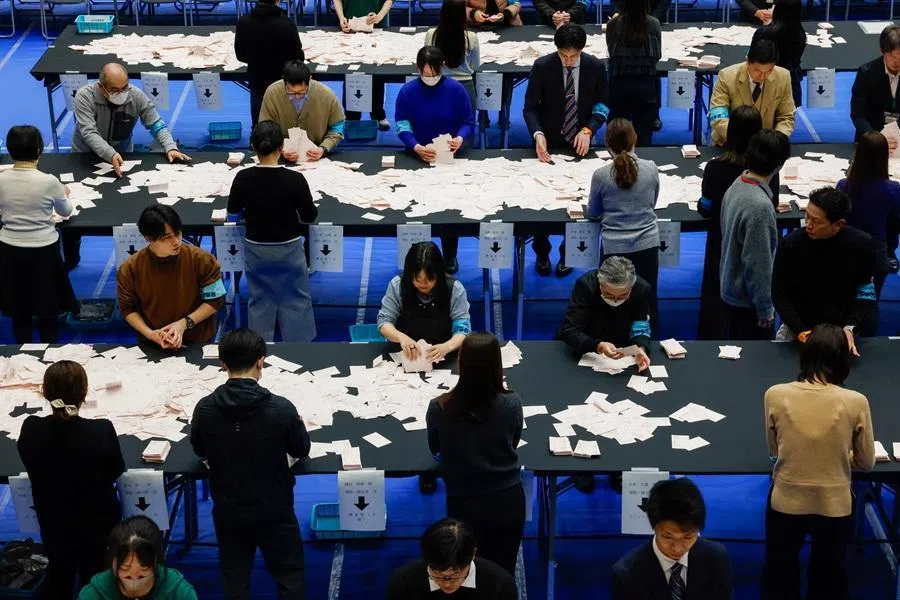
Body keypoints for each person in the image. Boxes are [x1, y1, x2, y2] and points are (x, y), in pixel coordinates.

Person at [190, 328, 311, 600]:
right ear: (261, 361)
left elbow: (199, 448)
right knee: (289, 577)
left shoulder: (205, 409)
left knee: (236, 579)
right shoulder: (281, 409)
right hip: (274, 509)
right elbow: (301, 448)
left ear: (222, 363)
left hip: (229, 510)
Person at [762, 324, 875, 600]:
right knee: (830, 574)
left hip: (786, 501)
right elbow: (866, 462)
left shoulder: (774, 394)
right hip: (834, 506)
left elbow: (775, 449)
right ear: (843, 360)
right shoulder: (857, 402)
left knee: (780, 571)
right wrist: (839, 454)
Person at [67, 62, 191, 270]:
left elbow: (156, 124)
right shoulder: (84, 96)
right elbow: (88, 132)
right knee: (76, 210)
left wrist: (170, 146)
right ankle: (72, 249)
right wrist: (109, 153)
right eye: (115, 90)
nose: (122, 94)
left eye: (124, 88)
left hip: (123, 158)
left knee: (126, 202)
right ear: (101, 87)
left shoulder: (136, 95)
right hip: (85, 157)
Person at [17, 361, 125, 600]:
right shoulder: (100, 431)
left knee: (59, 577)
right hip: (97, 524)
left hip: (54, 522)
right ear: (84, 393)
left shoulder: (31, 428)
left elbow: (28, 458)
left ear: (45, 392)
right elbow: (116, 469)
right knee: (96, 580)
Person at [426, 332, 524, 578]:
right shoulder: (512, 403)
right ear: (496, 364)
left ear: (462, 363)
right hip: (508, 500)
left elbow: (435, 448)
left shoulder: (440, 407)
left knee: (465, 572)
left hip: (464, 502)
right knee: (503, 572)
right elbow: (514, 441)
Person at [524, 24, 610, 276]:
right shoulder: (542, 66)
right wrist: (537, 134)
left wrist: (589, 129)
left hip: (580, 142)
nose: (568, 61)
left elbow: (603, 103)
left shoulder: (595, 66)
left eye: (573, 56)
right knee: (543, 201)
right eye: (564, 56)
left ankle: (567, 253)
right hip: (547, 142)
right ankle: (541, 251)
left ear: (581, 51)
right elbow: (529, 108)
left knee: (576, 202)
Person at [227, 121, 318, 342]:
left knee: (259, 299)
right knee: (296, 298)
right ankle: (301, 348)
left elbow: (233, 213)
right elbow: (309, 216)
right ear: (281, 148)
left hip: (257, 251)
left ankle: (258, 347)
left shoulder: (243, 178)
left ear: (253, 147)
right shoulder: (295, 179)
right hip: (289, 250)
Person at [395, 47, 475, 273]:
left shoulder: (456, 90)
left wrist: (460, 138)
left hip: (449, 158)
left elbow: (468, 121)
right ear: (418, 69)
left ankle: (450, 256)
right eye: (425, 74)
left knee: (449, 209)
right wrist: (415, 145)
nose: (430, 78)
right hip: (417, 156)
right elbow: (402, 124)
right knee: (415, 209)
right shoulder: (407, 92)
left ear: (442, 68)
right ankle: (416, 260)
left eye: (434, 74)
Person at [772, 187, 878, 348]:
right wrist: (800, 330)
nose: (808, 224)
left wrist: (850, 327)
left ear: (838, 224)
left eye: (816, 221)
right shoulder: (791, 245)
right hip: (797, 328)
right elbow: (779, 294)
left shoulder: (862, 245)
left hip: (840, 331)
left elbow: (866, 291)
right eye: (807, 216)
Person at [0, 125, 77, 343]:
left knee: (19, 311)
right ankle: (48, 354)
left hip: (9, 251)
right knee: (47, 309)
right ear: (38, 150)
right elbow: (66, 211)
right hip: (44, 252)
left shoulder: (1, 179)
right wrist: (63, 193)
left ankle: (21, 352)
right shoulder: (49, 181)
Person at [697, 105, 766, 339]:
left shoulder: (716, 168)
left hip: (721, 238)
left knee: (716, 296)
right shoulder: (764, 171)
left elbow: (705, 207)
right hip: (752, 241)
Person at [116, 205, 226, 348]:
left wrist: (183, 324)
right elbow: (128, 309)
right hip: (153, 342)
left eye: (178, 233)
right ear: (149, 238)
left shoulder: (202, 260)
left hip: (197, 341)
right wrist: (150, 334)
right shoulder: (130, 268)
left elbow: (215, 301)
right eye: (167, 237)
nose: (176, 241)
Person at [587, 118, 661, 331]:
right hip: (647, 247)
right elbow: (652, 203)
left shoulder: (601, 175)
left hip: (614, 249)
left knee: (612, 302)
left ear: (607, 144)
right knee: (647, 300)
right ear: (634, 139)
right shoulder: (651, 169)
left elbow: (593, 213)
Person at [719, 129, 790, 340]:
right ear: (779, 165)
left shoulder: (738, 183)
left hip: (731, 287)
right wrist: (764, 307)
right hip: (746, 302)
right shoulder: (759, 208)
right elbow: (758, 264)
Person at [611, 478, 732, 600]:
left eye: (688, 537)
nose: (678, 548)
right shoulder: (627, 574)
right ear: (654, 528)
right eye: (668, 537)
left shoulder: (716, 559)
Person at [377, 241, 471, 361]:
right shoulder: (397, 285)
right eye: (417, 279)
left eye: (430, 279)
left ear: (439, 273)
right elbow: (384, 322)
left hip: (443, 354)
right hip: (405, 355)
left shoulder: (455, 289)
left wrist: (447, 347)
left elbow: (463, 329)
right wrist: (401, 338)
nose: (423, 284)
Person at [557, 256, 652, 371]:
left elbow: (640, 325)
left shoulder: (642, 289)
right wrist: (598, 345)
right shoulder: (585, 285)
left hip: (623, 348)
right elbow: (570, 330)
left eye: (623, 295)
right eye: (608, 295)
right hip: (586, 345)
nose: (615, 301)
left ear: (632, 287)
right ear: (600, 283)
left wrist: (640, 348)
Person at [386, 518, 517, 600]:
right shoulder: (404, 583)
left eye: (455, 575)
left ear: (473, 554)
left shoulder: (500, 584)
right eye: (437, 575)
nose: (447, 584)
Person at [837, 131, 900, 292]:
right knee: (869, 301)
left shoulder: (844, 185)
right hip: (876, 252)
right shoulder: (892, 189)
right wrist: (890, 250)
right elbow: (894, 224)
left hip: (845, 250)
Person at [78, 516, 198, 599]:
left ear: (157, 562)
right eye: (126, 573)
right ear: (111, 561)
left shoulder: (179, 593)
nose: (134, 583)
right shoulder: (93, 595)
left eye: (142, 575)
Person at [708, 39, 795, 147]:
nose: (762, 77)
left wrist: (775, 140)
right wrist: (740, 140)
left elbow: (786, 117)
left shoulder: (783, 77)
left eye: (768, 71)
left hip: (765, 147)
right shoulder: (727, 76)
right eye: (757, 71)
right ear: (747, 61)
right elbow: (718, 116)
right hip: (730, 143)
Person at [234, 0, 304, 126]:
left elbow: (240, 55)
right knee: (285, 125)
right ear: (278, 0)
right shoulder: (287, 24)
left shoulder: (244, 23)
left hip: (257, 80)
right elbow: (297, 57)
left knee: (259, 126)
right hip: (283, 82)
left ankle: (257, 140)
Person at [259, 60, 345, 161]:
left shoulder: (326, 95)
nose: (297, 97)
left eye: (302, 92)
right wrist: (280, 149)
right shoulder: (272, 93)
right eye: (291, 93)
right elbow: (265, 128)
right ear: (284, 81)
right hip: (280, 155)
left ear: (310, 79)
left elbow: (337, 126)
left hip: (316, 155)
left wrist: (324, 148)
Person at [605, 0, 662, 146]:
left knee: (617, 134)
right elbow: (656, 56)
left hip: (619, 85)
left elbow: (612, 53)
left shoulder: (613, 24)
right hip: (645, 86)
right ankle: (642, 165)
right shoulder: (654, 24)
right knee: (644, 135)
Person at [334, 0, 392, 129]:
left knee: (376, 70)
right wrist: (341, 17)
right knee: (350, 70)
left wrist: (380, 16)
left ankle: (378, 113)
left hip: (376, 26)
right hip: (349, 26)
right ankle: (351, 116)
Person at [424, 0, 481, 109]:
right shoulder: (471, 37)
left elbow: (427, 62)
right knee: (466, 124)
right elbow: (475, 65)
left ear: (442, 12)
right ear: (463, 15)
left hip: (438, 86)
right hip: (465, 88)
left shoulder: (431, 35)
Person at [850, 24, 900, 144]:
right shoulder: (867, 73)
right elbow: (858, 114)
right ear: (883, 51)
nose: (897, 61)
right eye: (892, 56)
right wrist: (876, 139)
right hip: (870, 140)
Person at [751, 0, 806, 108]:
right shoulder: (800, 34)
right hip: (791, 85)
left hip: (766, 86)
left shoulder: (763, 34)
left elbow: (752, 58)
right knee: (785, 121)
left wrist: (767, 27)